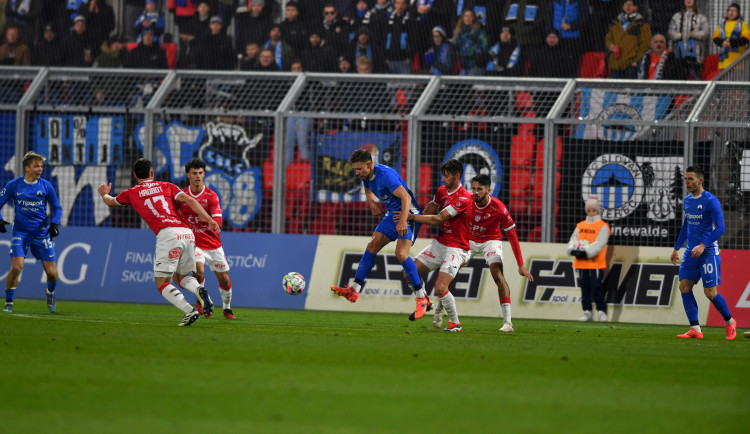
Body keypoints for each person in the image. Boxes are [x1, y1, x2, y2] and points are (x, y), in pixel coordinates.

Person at [97, 158, 220, 326]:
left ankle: (189, 310)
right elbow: (191, 200)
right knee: (182, 277)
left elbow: (110, 202)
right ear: (152, 173)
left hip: (167, 234)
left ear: (135, 175)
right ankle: (199, 289)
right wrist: (209, 220)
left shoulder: (131, 192)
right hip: (186, 233)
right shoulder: (167, 186)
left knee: (162, 283)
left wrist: (104, 192)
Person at [330, 149, 428, 321]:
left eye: (360, 169)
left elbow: (405, 197)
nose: (357, 173)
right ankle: (354, 290)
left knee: (401, 254)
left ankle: (422, 298)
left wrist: (404, 221)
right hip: (392, 214)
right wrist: (372, 203)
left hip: (408, 214)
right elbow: (367, 187)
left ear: (370, 165)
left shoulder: (386, 175)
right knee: (372, 245)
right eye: (355, 170)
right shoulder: (367, 176)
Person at [433, 174, 533, 332]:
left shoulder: (498, 207)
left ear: (489, 190)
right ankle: (439, 310)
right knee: (451, 272)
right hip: (469, 240)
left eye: (479, 189)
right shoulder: (466, 202)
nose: (475, 192)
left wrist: (521, 265)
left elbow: (512, 235)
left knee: (497, 275)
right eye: (473, 188)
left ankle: (508, 323)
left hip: (490, 241)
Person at [394, 159, 472, 332]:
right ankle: (424, 299)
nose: (443, 179)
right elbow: (433, 206)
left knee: (441, 287)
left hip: (457, 247)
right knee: (409, 273)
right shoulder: (443, 190)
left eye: (446, 176)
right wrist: (418, 220)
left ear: (457, 176)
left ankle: (455, 323)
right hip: (440, 244)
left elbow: (439, 218)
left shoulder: (463, 198)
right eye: (442, 175)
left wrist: (412, 217)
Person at [670, 165, 737, 340]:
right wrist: (677, 248)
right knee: (684, 286)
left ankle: (730, 322)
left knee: (710, 293)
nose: (687, 182)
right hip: (691, 253)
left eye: (690, 179)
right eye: (685, 179)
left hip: (708, 252)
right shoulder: (687, 200)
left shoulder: (711, 201)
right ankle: (695, 329)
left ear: (701, 180)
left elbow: (720, 228)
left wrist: (702, 245)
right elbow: (686, 225)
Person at [0, 152, 62, 314]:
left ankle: (50, 293)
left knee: (52, 274)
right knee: (16, 267)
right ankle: (9, 302)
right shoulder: (14, 185)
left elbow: (57, 208)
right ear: (26, 167)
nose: (40, 169)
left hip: (41, 233)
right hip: (20, 233)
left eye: (41, 166)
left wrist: (54, 223)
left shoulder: (46, 186)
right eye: (36, 166)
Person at [178, 159, 236, 319]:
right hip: (194, 243)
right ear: (188, 175)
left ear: (204, 174)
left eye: (200, 173)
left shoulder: (211, 196)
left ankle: (227, 308)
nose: (198, 176)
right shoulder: (182, 196)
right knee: (199, 270)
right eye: (194, 173)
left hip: (212, 244)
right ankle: (200, 299)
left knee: (224, 279)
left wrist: (212, 222)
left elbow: (218, 220)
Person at [567, 195, 610, 322]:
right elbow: (574, 238)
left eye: (594, 210)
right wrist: (573, 249)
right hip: (581, 263)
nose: (591, 213)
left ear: (598, 211)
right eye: (589, 210)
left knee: (597, 287)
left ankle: (601, 311)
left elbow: (600, 243)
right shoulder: (580, 225)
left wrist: (586, 252)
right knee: (584, 288)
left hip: (596, 263)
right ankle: (587, 311)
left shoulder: (603, 226)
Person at [605, 0, 651, 79]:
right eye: (626, 4)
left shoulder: (642, 24)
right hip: (615, 63)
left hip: (631, 64)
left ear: (635, 7)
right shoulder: (615, 22)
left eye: (630, 4)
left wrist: (636, 60)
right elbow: (608, 39)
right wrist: (611, 46)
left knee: (628, 90)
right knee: (614, 89)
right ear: (623, 7)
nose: (628, 6)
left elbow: (645, 44)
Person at [667, 0, 709, 80]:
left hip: (696, 54)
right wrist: (680, 35)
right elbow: (670, 32)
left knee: (695, 76)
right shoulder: (676, 17)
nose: (689, 0)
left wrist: (694, 34)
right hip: (679, 53)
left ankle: (696, 92)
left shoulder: (701, 17)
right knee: (680, 76)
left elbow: (706, 33)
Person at [712, 3, 750, 71]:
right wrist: (722, 43)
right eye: (729, 10)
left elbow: (746, 39)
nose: (731, 12)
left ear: (738, 13)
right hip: (724, 59)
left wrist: (731, 43)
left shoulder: (742, 24)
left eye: (734, 10)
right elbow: (715, 37)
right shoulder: (722, 24)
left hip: (737, 59)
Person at [452, 8, 488, 76]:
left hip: (476, 65)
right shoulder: (457, 32)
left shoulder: (480, 31)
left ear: (473, 18)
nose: (468, 18)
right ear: (462, 18)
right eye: (465, 16)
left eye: (470, 16)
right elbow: (454, 46)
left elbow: (484, 47)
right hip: (462, 65)